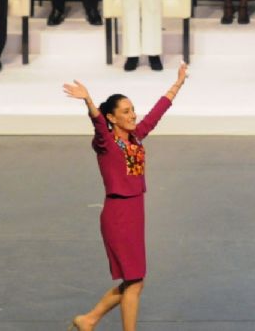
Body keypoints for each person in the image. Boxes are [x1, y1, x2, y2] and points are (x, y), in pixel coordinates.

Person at [62, 62, 188, 331]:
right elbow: (97, 123)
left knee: (134, 281)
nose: (133, 115)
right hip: (118, 215)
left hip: (135, 213)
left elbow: (157, 113)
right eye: (126, 112)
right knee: (135, 280)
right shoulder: (106, 143)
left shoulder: (135, 137)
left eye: (132, 110)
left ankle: (89, 319)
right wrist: (89, 102)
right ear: (112, 117)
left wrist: (177, 84)